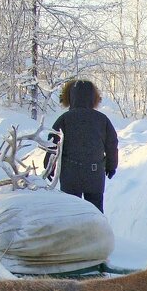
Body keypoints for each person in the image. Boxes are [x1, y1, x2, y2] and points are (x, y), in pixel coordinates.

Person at [47, 78, 119, 213]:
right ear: (93, 97)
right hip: (94, 175)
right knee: (95, 213)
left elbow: (52, 145)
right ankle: (96, 233)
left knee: (71, 214)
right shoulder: (102, 120)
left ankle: (73, 233)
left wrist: (50, 166)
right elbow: (112, 144)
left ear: (70, 97)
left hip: (70, 176)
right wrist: (111, 166)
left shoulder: (64, 119)